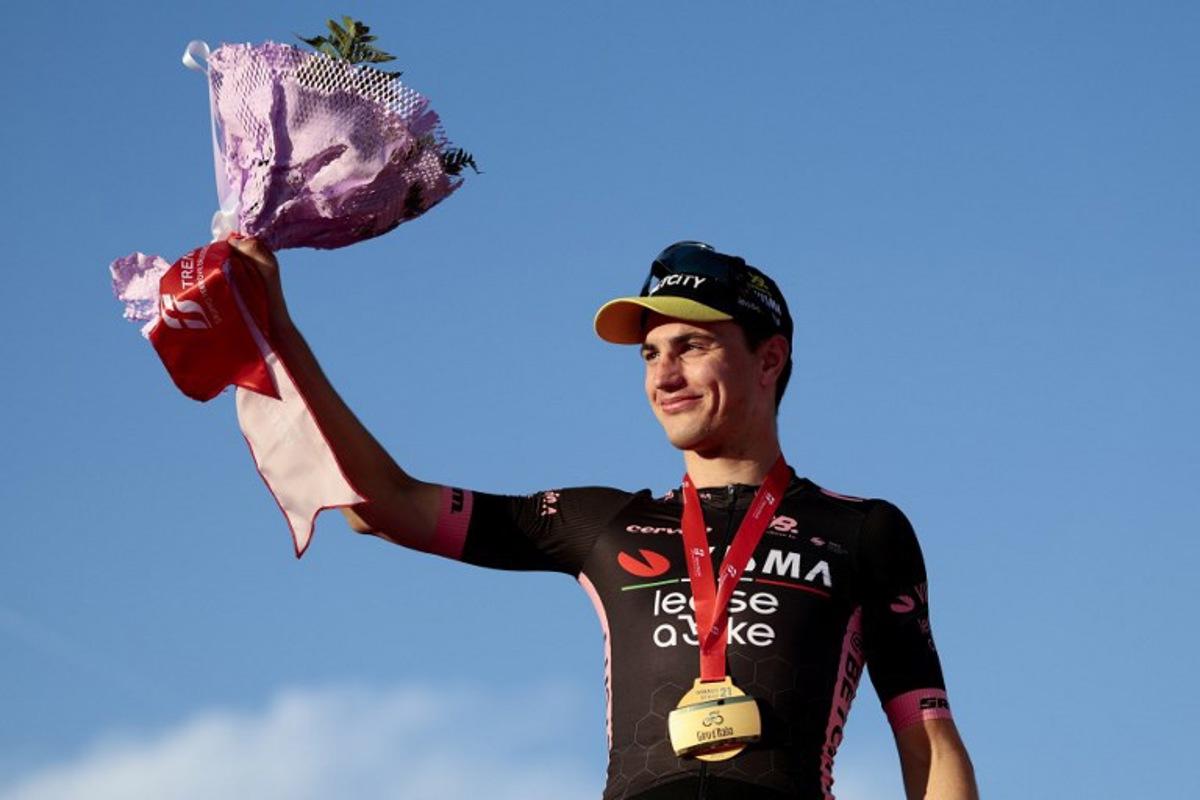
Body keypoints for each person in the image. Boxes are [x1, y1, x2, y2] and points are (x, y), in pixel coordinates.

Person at [229, 236, 978, 800]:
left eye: (691, 345)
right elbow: (386, 506)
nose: (664, 374)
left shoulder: (862, 530)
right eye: (650, 354)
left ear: (769, 358)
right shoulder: (603, 523)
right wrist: (281, 337)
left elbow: (931, 747)